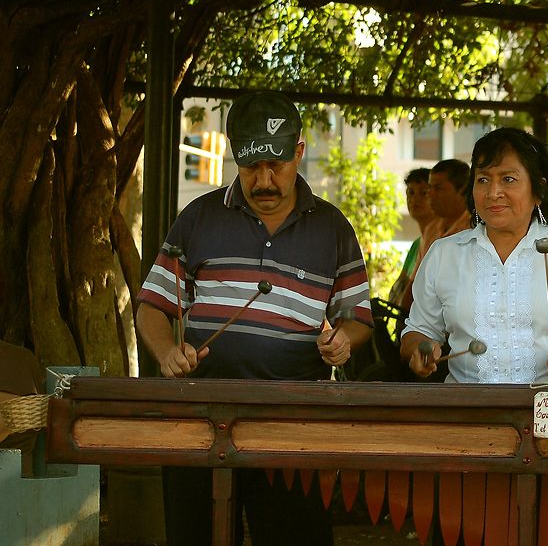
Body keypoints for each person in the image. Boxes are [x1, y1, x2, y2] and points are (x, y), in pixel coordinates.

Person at [136, 91, 373, 546]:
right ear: (234, 156)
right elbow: (154, 305)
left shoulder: (332, 228)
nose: (264, 180)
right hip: (199, 420)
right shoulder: (199, 217)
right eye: (250, 168)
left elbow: (357, 316)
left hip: (291, 425)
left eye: (277, 166)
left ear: (299, 152)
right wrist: (167, 352)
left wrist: (343, 340)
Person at [399, 127, 548, 383]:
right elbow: (418, 331)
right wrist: (422, 350)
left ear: (538, 189)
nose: (493, 192)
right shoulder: (444, 253)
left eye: (508, 179)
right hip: (469, 411)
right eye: (483, 180)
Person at [399, 158, 471, 309]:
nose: (430, 195)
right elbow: (416, 283)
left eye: (438, 189)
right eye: (430, 189)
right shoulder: (432, 230)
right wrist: (402, 318)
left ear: (462, 190)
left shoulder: (476, 229)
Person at [387, 167, 436, 305]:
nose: (415, 199)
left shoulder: (443, 241)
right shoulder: (417, 244)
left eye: (423, 193)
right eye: (411, 193)